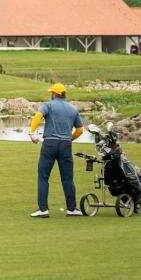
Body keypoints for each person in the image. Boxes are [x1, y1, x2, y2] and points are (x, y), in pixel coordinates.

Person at [29, 83, 84, 218]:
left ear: (55, 94)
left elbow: (38, 116)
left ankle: (43, 210)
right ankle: (71, 209)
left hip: (49, 144)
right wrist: (69, 139)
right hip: (66, 145)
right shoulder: (73, 109)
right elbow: (80, 130)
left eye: (52, 92)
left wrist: (32, 132)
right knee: (67, 178)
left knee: (43, 177)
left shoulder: (49, 105)